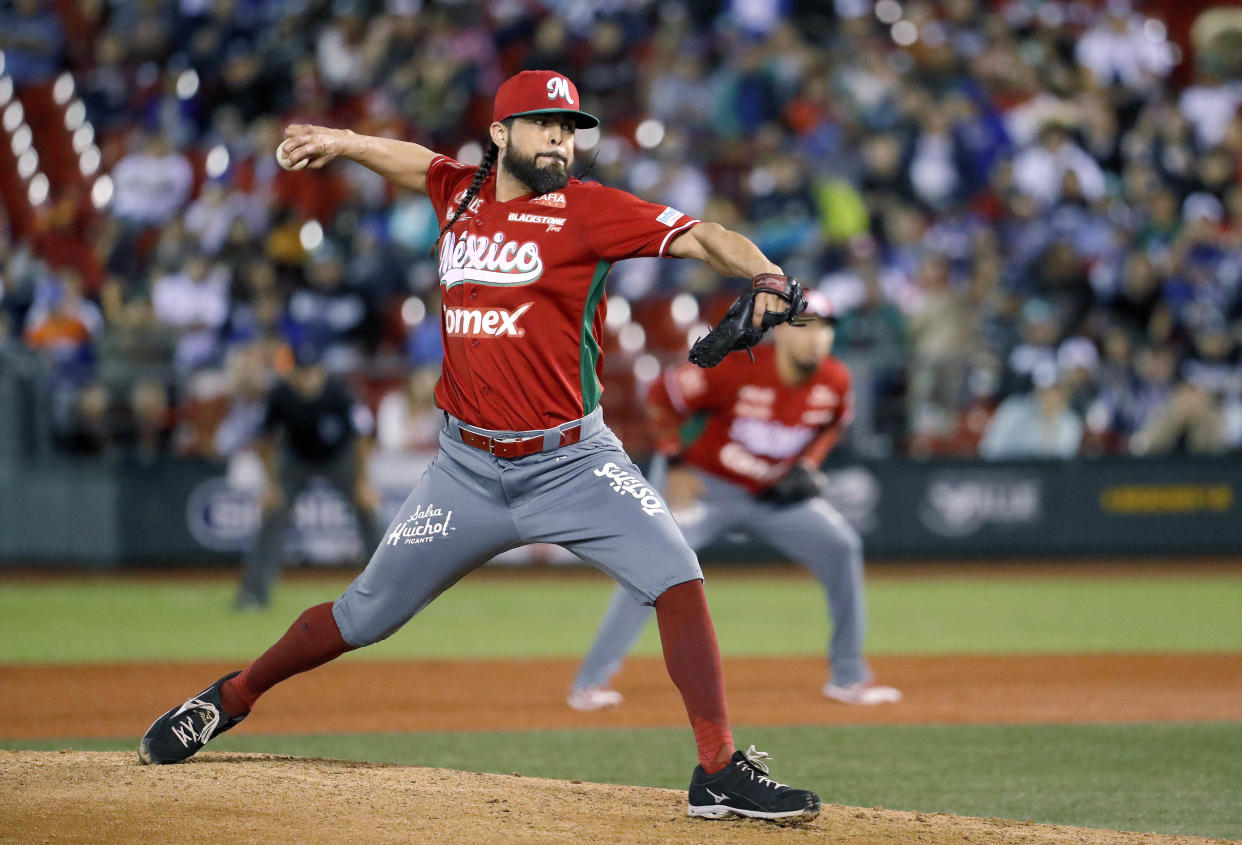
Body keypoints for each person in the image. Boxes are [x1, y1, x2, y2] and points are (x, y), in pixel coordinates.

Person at [138, 70, 820, 823]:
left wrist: (765, 273)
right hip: (465, 471)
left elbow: (702, 235)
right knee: (363, 615)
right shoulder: (458, 192)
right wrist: (343, 141)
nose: (561, 138)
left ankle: (718, 768)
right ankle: (227, 698)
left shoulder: (590, 211)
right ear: (501, 135)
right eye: (543, 124)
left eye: (569, 127)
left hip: (575, 462)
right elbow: (413, 161)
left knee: (677, 572)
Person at [568, 292, 902, 712]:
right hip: (708, 488)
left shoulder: (835, 380)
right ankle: (591, 682)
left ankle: (849, 676)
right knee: (653, 564)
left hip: (772, 497)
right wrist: (674, 464)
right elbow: (660, 395)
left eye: (825, 327)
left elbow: (834, 424)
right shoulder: (738, 370)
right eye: (805, 325)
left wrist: (810, 464)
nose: (817, 337)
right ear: (779, 332)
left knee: (843, 545)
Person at [235, 341, 383, 609]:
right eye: (302, 372)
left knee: (367, 513)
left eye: (312, 371)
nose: (307, 378)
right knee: (272, 514)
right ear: (292, 372)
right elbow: (263, 442)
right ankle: (253, 594)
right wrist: (271, 484)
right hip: (296, 460)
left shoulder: (339, 392)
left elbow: (362, 439)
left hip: (339, 458)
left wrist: (363, 484)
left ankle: (386, 592)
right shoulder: (280, 395)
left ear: (321, 371)